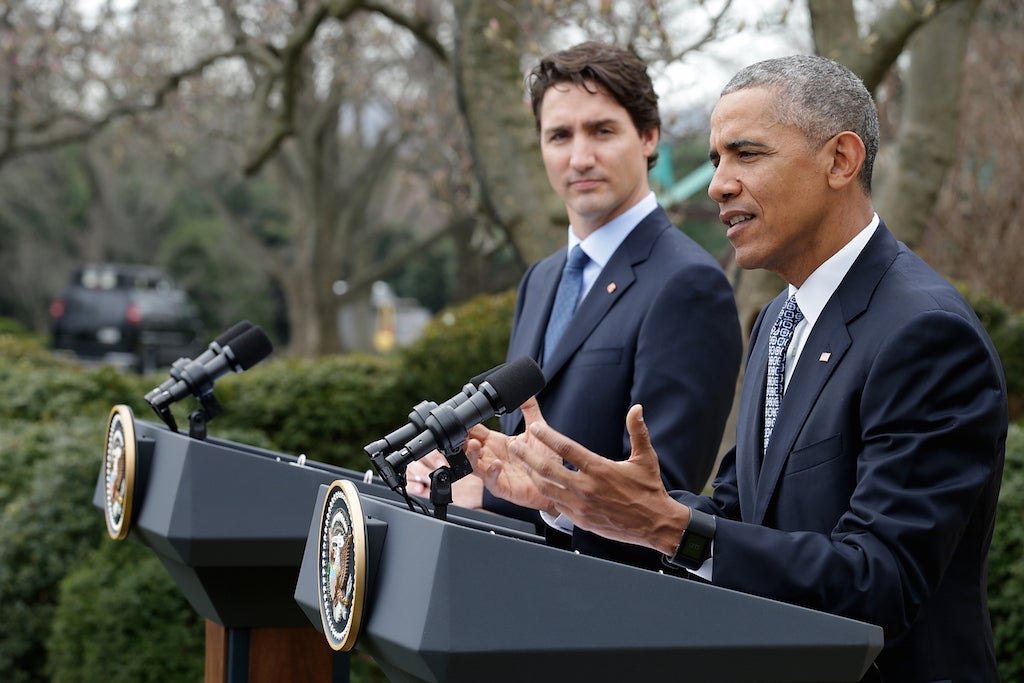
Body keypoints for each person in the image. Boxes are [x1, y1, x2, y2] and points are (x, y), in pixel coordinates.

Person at [465, 54, 1007, 682]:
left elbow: (878, 581)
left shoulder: (925, 333)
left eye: (746, 155)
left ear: (840, 160)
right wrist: (576, 502)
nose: (718, 183)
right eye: (718, 157)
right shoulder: (778, 321)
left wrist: (670, 527)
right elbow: (737, 517)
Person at [406, 41, 742, 569]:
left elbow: (660, 506)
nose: (579, 157)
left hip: (600, 614)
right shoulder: (540, 280)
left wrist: (489, 497)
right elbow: (522, 442)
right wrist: (459, 473)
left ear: (648, 136)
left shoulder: (689, 284)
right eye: (559, 135)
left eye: (602, 131)